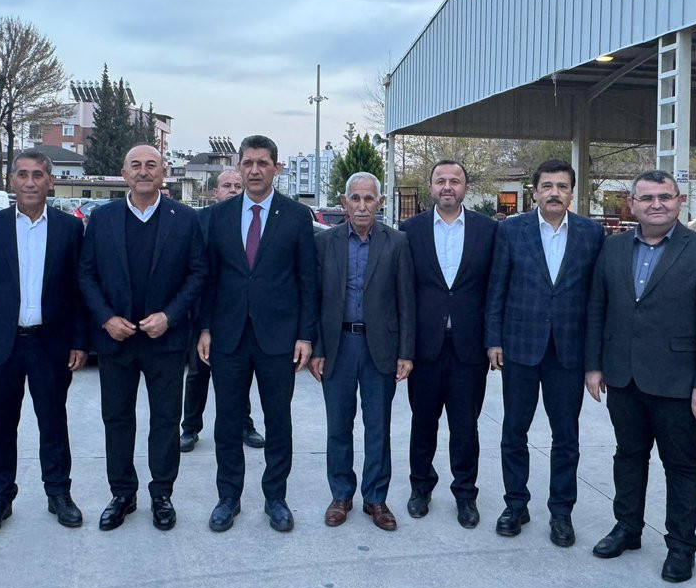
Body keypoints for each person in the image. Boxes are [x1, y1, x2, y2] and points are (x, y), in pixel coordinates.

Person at [585, 170, 696, 583]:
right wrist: (594, 365)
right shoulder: (612, 248)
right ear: (632, 204)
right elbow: (597, 308)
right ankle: (627, 528)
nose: (656, 204)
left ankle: (681, 547)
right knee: (628, 456)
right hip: (623, 377)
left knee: (681, 465)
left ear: (679, 201)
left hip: (679, 383)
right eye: (647, 197)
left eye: (665, 197)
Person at [78, 144, 206, 532]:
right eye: (135, 165)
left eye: (152, 164)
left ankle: (162, 493)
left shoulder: (185, 219)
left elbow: (198, 274)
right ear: (124, 173)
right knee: (117, 419)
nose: (144, 171)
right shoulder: (102, 218)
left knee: (165, 421)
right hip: (116, 340)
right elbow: (86, 274)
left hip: (165, 340)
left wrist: (170, 316)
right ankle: (122, 494)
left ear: (164, 172)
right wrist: (105, 318)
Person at [0, 150, 88, 537]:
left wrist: (79, 340)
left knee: (53, 422)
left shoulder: (70, 228)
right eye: (22, 174)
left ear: (51, 181)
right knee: (1, 425)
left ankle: (58, 493)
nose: (30, 182)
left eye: (37, 175)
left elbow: (79, 290)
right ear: (12, 180)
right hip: (2, 346)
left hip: (51, 344)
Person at [197, 135, 317, 532]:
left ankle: (275, 497)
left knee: (278, 421)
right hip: (228, 337)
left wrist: (305, 335)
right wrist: (205, 327)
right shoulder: (218, 216)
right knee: (227, 422)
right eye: (247, 163)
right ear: (239, 166)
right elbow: (208, 278)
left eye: (262, 163)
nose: (254, 170)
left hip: (278, 339)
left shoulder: (296, 216)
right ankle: (228, 497)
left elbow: (308, 281)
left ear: (276, 168)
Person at [485, 159, 604, 546]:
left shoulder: (591, 233)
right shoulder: (511, 230)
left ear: (572, 192)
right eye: (547, 186)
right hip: (519, 347)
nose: (554, 193)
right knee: (514, 431)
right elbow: (497, 288)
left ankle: (561, 512)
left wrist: (594, 360)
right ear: (534, 191)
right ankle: (515, 504)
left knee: (566, 436)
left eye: (562, 186)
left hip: (568, 351)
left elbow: (596, 300)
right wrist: (493, 340)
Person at [311, 172, 415, 531]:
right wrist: (317, 348)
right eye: (355, 198)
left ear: (380, 203)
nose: (361, 205)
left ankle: (376, 498)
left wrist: (405, 352)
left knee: (378, 427)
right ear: (344, 203)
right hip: (338, 347)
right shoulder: (325, 242)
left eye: (369, 198)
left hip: (380, 348)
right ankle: (341, 495)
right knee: (338, 425)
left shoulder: (397, 242)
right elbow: (316, 299)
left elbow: (406, 301)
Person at [399, 159, 496, 528]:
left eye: (455, 180)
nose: (447, 186)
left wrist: (493, 340)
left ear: (465, 187)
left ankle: (465, 494)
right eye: (441, 180)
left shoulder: (488, 230)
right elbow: (405, 292)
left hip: (469, 349)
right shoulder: (411, 230)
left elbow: (494, 289)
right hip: (425, 348)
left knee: (465, 428)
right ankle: (420, 487)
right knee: (423, 423)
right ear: (431, 187)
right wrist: (405, 348)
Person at [180, 168, 264, 453]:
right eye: (227, 185)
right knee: (198, 373)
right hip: (204, 309)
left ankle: (244, 424)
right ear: (215, 191)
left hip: (239, 313)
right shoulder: (200, 220)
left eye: (237, 186)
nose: (232, 190)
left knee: (240, 373)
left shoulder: (251, 220)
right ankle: (190, 428)